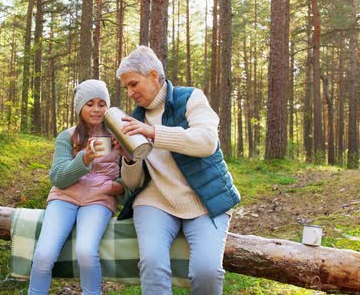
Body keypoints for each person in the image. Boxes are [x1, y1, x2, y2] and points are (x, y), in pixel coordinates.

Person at [115, 46, 241, 295]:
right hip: (155, 200)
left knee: (206, 271)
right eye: (126, 88)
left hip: (203, 199)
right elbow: (132, 184)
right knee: (152, 264)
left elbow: (207, 142)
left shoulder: (191, 98)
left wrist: (153, 133)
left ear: (153, 75)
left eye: (133, 84)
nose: (129, 93)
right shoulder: (134, 118)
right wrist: (129, 160)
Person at [28, 79, 126, 295]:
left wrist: (115, 187)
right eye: (90, 103)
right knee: (44, 255)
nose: (96, 109)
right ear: (79, 107)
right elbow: (58, 178)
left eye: (102, 104)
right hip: (64, 198)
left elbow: (129, 178)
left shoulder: (119, 136)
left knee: (86, 252)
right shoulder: (67, 136)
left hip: (99, 200)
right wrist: (84, 159)